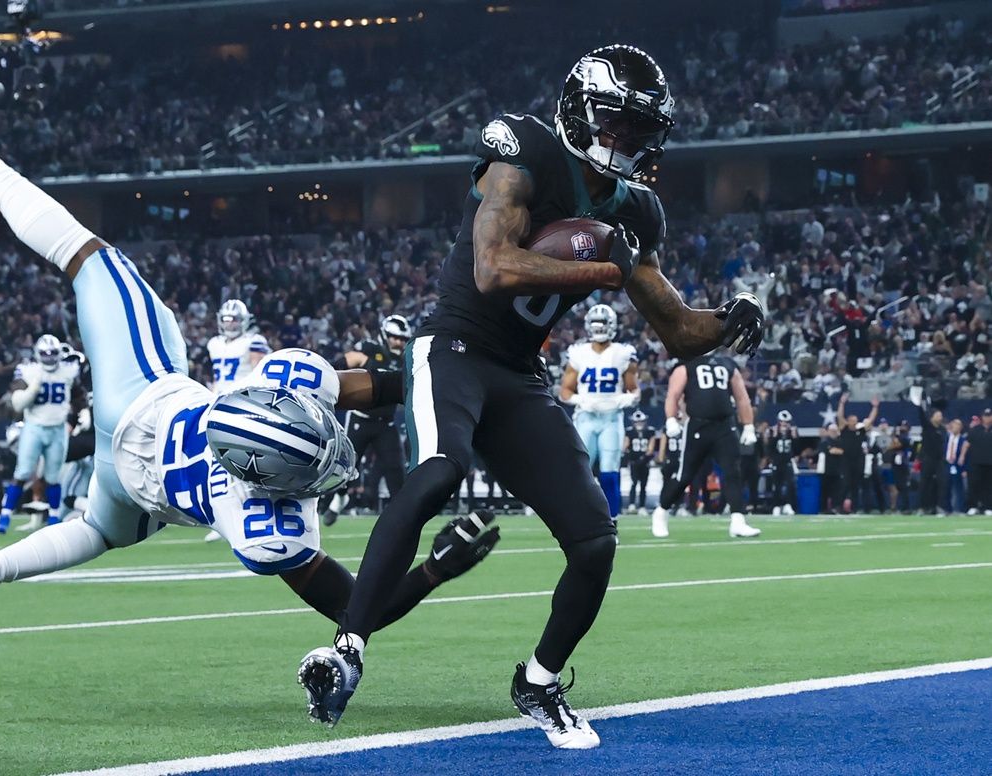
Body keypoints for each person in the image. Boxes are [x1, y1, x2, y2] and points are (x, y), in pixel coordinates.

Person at [0, 81, 500, 651]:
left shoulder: (277, 402)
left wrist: (453, 385)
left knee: (89, 258)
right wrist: (433, 571)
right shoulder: (265, 523)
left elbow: (387, 388)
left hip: (141, 407)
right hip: (142, 484)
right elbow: (356, 611)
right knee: (95, 530)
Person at [298, 45, 765, 749]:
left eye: (638, 131)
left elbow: (676, 330)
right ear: (578, 110)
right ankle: (347, 649)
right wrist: (608, 267)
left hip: (518, 374)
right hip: (451, 348)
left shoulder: (633, 207)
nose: (623, 141)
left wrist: (729, 321)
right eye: (612, 122)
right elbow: (492, 269)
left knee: (593, 538)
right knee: (439, 472)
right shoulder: (522, 151)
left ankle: (539, 682)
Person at [651, 351, 761, 538]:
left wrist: (749, 425)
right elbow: (673, 394)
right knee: (684, 475)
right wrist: (670, 418)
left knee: (733, 472)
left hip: (725, 426)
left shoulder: (727, 364)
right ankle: (661, 511)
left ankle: (738, 520)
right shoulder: (687, 363)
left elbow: (742, 397)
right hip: (698, 425)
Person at [320, 315, 413, 526]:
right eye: (394, 337)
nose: (398, 342)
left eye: (402, 338)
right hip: (360, 419)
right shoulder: (370, 350)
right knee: (343, 466)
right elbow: (343, 364)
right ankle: (337, 500)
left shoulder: (408, 357)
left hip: (386, 423)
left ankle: (404, 516)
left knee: (395, 468)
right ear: (384, 335)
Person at [0, 334, 84, 533]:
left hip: (58, 428)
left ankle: (53, 516)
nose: (49, 357)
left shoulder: (68, 371)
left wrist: (81, 412)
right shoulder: (29, 371)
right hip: (34, 427)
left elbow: (78, 395)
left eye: (53, 353)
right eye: (45, 353)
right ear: (38, 354)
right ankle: (5, 515)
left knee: (53, 476)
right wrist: (30, 390)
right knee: (23, 472)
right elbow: (17, 400)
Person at [560, 304, 639, 519]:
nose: (599, 328)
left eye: (602, 324)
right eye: (595, 324)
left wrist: (626, 399)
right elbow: (564, 392)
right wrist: (581, 400)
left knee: (609, 474)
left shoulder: (623, 353)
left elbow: (634, 390)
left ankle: (611, 522)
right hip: (585, 417)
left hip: (611, 419)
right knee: (580, 472)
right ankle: (577, 518)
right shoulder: (579, 353)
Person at [202, 301, 271, 542]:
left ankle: (259, 508)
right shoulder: (214, 344)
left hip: (244, 406)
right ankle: (223, 517)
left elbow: (260, 372)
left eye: (234, 319)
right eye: (227, 319)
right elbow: (213, 374)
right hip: (218, 405)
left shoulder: (253, 341)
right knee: (218, 461)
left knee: (248, 459)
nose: (230, 324)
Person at [835, 395, 879, 513]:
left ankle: (854, 508)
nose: (853, 423)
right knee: (845, 484)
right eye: (851, 421)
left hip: (858, 459)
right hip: (846, 459)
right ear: (848, 421)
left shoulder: (861, 431)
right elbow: (839, 416)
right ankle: (838, 506)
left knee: (855, 485)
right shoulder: (844, 430)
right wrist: (841, 403)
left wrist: (875, 407)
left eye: (855, 421)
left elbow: (870, 419)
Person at [765, 410, 798, 515]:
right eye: (782, 422)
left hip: (788, 461)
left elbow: (797, 448)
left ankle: (788, 505)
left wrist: (794, 437)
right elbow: (768, 449)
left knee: (790, 484)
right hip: (777, 462)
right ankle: (776, 506)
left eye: (786, 422)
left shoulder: (792, 432)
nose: (784, 424)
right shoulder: (772, 431)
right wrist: (774, 437)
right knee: (777, 485)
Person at [624, 410, 656, 514]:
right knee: (633, 483)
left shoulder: (650, 431)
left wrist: (644, 458)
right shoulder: (629, 432)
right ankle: (632, 504)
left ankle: (642, 506)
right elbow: (625, 446)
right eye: (637, 422)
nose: (639, 424)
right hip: (634, 461)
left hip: (644, 461)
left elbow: (651, 447)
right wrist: (629, 457)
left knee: (643, 484)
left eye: (641, 421)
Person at [938, 419, 969, 515]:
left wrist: (964, 469)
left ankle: (959, 509)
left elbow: (966, 456)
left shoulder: (963, 441)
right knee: (945, 488)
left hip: (957, 466)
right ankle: (946, 509)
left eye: (957, 425)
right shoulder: (945, 438)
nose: (954, 427)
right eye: (953, 424)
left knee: (959, 488)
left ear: (960, 427)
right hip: (946, 465)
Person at [966, 409, 992, 515]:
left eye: (989, 416)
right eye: (986, 416)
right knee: (974, 484)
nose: (988, 418)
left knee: (989, 486)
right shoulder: (975, 429)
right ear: (982, 417)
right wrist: (962, 456)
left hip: (990, 462)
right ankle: (973, 506)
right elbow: (967, 443)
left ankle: (988, 507)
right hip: (976, 462)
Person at [817, 424, 847, 513]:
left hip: (837, 470)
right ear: (828, 431)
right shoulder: (824, 441)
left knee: (837, 491)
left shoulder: (841, 441)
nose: (833, 432)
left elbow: (842, 451)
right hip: (826, 471)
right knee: (825, 491)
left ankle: (836, 508)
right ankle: (823, 509)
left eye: (835, 430)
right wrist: (836, 450)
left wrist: (836, 450)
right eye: (831, 430)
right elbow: (832, 451)